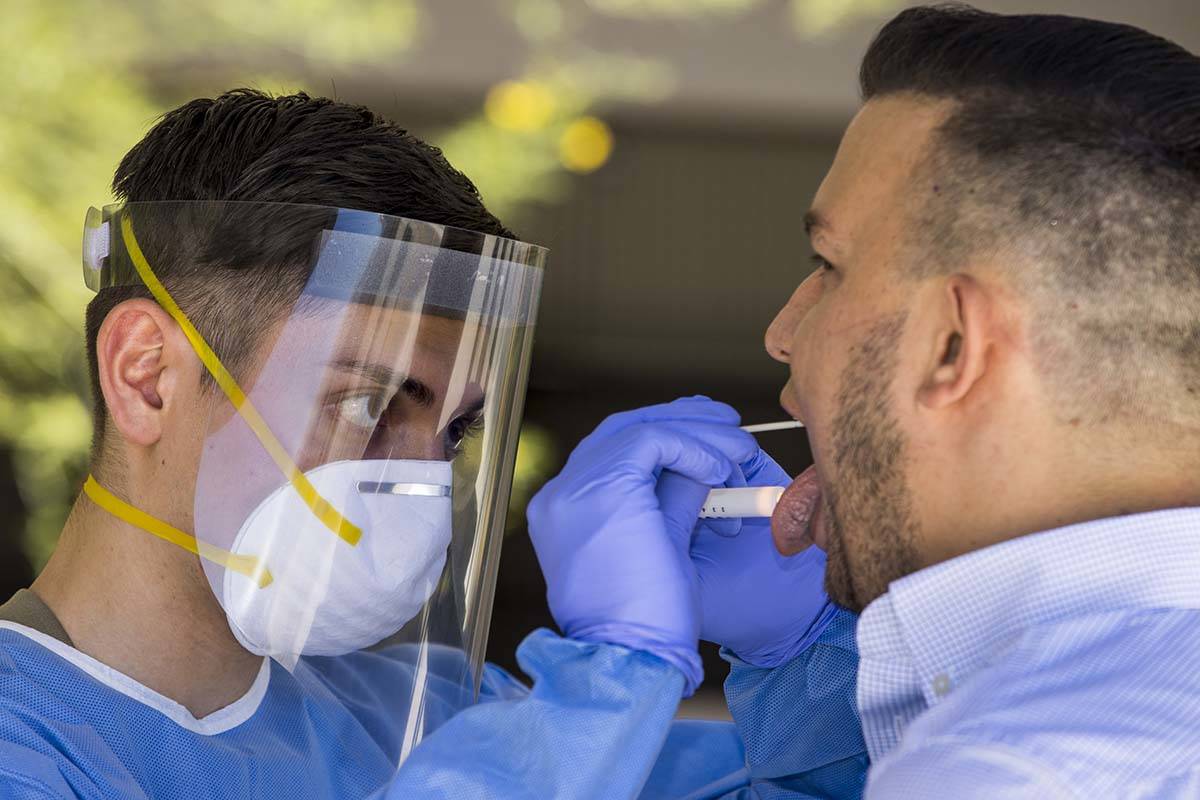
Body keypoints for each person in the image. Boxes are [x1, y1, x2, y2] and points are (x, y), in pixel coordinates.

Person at [0, 90, 767, 799]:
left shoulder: (426, 717)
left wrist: (799, 655)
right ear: (147, 378)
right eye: (367, 402)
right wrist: (613, 678)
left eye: (456, 431)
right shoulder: (24, 743)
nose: (424, 481)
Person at [527, 5, 1200, 798]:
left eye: (829, 265)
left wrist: (609, 678)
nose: (783, 334)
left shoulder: (1014, 771)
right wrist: (809, 659)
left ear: (953, 343)